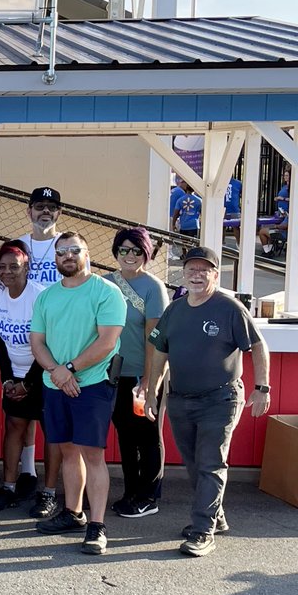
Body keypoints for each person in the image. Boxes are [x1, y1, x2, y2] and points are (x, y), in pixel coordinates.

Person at [144, 247, 271, 557]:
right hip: (181, 399)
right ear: (184, 274)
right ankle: (216, 515)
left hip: (221, 398)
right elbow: (160, 351)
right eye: (191, 269)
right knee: (195, 464)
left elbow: (257, 345)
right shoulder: (175, 310)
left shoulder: (229, 308)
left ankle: (203, 531)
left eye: (204, 270)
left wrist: (262, 387)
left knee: (211, 463)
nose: (197, 274)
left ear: (215, 274)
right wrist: (151, 392)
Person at [30, 231, 125, 555]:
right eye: (61, 252)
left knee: (92, 455)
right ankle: (73, 512)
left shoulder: (106, 292)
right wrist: (57, 373)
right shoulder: (46, 296)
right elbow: (37, 342)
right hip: (55, 384)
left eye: (74, 250)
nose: (67, 256)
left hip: (93, 385)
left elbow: (107, 342)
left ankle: (97, 527)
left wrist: (67, 369)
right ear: (55, 259)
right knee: (68, 451)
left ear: (87, 253)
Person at [104, 228, 169, 519]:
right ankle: (130, 492)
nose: (129, 256)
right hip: (113, 374)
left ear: (146, 253)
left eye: (136, 250)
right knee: (126, 436)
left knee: (147, 435)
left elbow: (155, 337)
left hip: (144, 375)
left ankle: (148, 496)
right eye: (124, 250)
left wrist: (149, 380)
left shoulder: (153, 287)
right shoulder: (105, 283)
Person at [0, 240, 47, 514]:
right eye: (2, 267)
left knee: (53, 435)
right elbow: (0, 341)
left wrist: (27, 383)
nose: (7, 271)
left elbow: (48, 344)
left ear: (26, 267)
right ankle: (8, 487)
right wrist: (8, 380)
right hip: (15, 374)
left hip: (42, 373)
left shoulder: (40, 296)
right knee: (13, 428)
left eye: (14, 266)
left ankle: (49, 493)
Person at [19, 187, 66, 285]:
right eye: (39, 206)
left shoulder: (70, 245)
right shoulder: (17, 245)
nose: (46, 210)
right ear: (29, 211)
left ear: (59, 213)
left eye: (52, 207)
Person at [260, 167, 290, 256]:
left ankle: (267, 251)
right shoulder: (284, 186)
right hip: (282, 213)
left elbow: (285, 226)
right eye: (284, 175)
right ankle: (269, 249)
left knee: (262, 231)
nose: (285, 177)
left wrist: (276, 226)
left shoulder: (291, 188)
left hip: (282, 231)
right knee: (268, 229)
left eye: (287, 175)